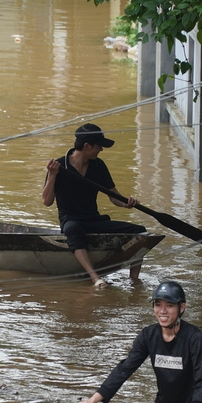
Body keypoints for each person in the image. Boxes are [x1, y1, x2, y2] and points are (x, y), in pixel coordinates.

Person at [72, 281, 202, 403]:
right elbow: (125, 369)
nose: (162, 311)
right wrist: (92, 401)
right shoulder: (149, 336)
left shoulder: (195, 339)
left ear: (182, 308)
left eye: (169, 305)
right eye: (158, 305)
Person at [42, 123, 147, 287]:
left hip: (94, 220)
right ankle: (95, 277)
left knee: (140, 232)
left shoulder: (98, 166)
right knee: (72, 229)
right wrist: (52, 176)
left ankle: (134, 280)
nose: (101, 150)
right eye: (99, 146)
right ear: (87, 146)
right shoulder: (58, 166)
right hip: (72, 221)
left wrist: (127, 203)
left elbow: (114, 196)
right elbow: (47, 202)